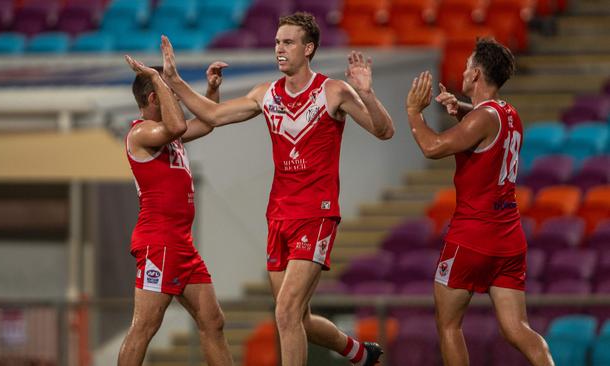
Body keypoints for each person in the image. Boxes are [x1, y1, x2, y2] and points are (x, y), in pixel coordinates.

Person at [158, 11, 394, 366]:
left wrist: (367, 94)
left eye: (288, 42)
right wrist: (175, 81)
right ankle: (360, 354)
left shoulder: (333, 91)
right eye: (276, 42)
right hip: (279, 215)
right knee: (298, 318)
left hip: (316, 214)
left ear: (308, 48)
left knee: (285, 312)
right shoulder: (265, 93)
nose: (279, 49)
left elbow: (384, 130)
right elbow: (214, 115)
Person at [405, 38, 554, 366]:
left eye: (466, 66)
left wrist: (414, 113)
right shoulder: (509, 113)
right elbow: (485, 125)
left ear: (474, 75)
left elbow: (434, 147)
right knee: (518, 328)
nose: (462, 71)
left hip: (472, 236)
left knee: (449, 326)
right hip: (509, 238)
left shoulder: (481, 119)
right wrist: (460, 108)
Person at [117, 53, 234, 366]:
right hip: (159, 242)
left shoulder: (169, 133)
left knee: (213, 321)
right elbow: (179, 124)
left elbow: (207, 124)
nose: (179, 97)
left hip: (181, 243)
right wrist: (158, 76)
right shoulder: (142, 133)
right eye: (171, 92)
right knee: (144, 326)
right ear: (155, 97)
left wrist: (211, 91)